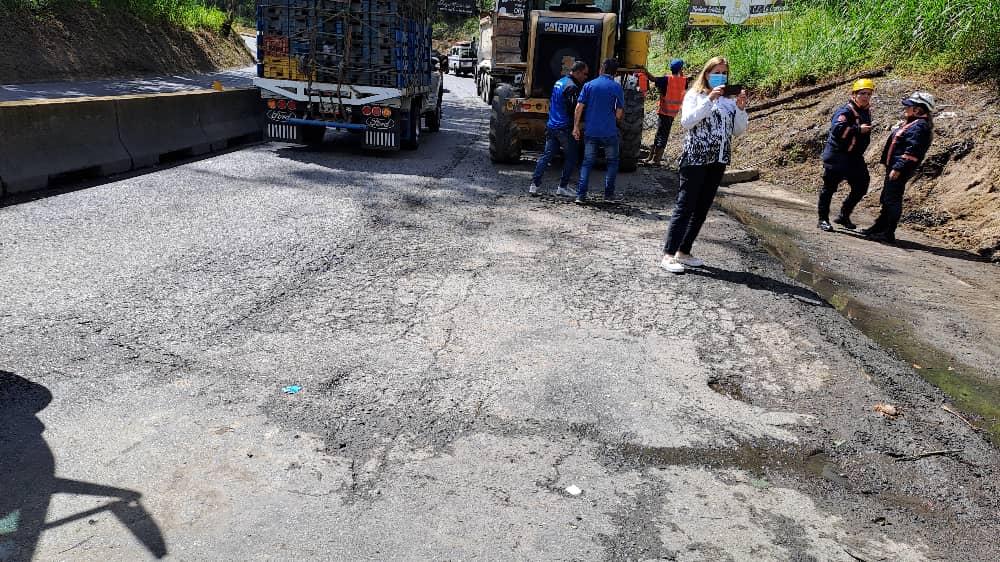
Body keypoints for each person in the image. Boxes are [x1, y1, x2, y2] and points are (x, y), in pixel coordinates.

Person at [660, 56, 748, 273]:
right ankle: (669, 254)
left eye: (725, 72)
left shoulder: (728, 101)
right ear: (707, 74)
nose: (721, 76)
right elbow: (687, 121)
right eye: (717, 71)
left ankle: (684, 251)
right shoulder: (695, 95)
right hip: (695, 159)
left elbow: (737, 131)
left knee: (702, 209)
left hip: (717, 161)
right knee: (686, 206)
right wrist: (709, 99)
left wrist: (741, 109)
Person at [862, 92, 935, 244]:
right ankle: (879, 228)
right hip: (894, 166)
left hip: (899, 168)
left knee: (892, 200)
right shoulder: (913, 123)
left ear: (919, 109)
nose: (906, 108)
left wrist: (898, 168)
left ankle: (888, 233)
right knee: (887, 198)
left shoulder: (919, 127)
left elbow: (912, 151)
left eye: (909, 106)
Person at [817, 78, 875, 232]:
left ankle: (844, 215)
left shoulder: (866, 110)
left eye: (868, 94)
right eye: (862, 93)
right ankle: (822, 219)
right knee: (829, 188)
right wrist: (857, 129)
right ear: (854, 94)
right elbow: (837, 130)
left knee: (862, 185)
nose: (865, 97)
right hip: (837, 156)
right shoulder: (845, 111)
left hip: (854, 158)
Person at [529, 61, 589, 197]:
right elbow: (573, 109)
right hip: (564, 127)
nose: (586, 77)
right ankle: (563, 186)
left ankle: (534, 184)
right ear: (578, 72)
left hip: (552, 125)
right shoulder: (572, 87)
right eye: (585, 74)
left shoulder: (559, 82)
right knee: (572, 156)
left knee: (546, 156)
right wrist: (578, 125)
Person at [573, 58, 625, 204]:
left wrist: (576, 126)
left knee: (587, 162)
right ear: (615, 73)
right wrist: (612, 120)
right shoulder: (616, 87)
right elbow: (619, 113)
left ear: (601, 69)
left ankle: (580, 196)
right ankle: (608, 195)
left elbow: (579, 107)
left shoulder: (589, 85)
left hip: (591, 131)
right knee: (612, 162)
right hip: (609, 132)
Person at [643, 58, 687, 166]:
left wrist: (645, 71)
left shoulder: (666, 79)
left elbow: (653, 79)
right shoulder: (684, 81)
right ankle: (652, 158)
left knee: (661, 135)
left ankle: (656, 160)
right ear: (680, 69)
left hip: (664, 111)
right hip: (672, 112)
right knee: (661, 134)